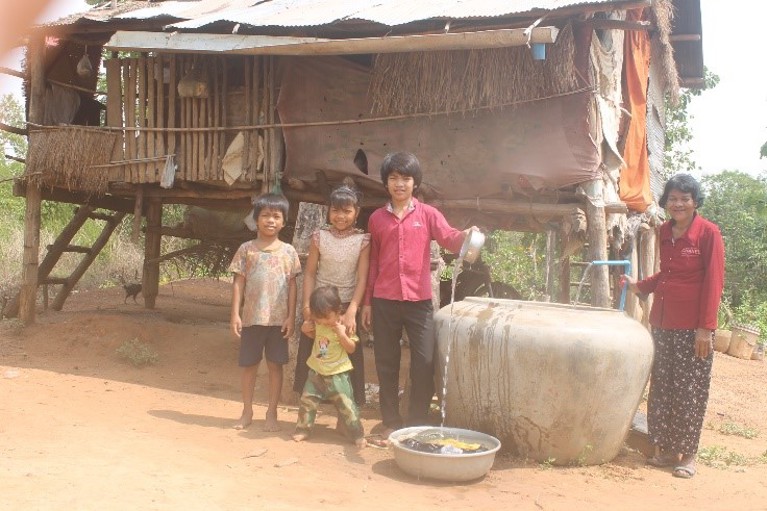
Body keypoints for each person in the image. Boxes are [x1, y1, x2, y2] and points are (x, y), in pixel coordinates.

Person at [361, 151, 477, 445]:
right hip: (385, 299)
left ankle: (415, 424)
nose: (400, 184)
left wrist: (466, 235)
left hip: (420, 301)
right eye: (394, 178)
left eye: (406, 178)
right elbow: (373, 262)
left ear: (415, 183)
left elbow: (450, 238)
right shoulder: (376, 219)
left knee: (424, 362)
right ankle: (390, 423)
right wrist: (367, 303)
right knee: (386, 362)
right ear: (386, 183)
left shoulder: (428, 215)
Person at [624, 173, 725, 479]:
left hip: (694, 329)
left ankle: (689, 455)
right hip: (663, 324)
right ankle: (667, 450)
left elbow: (714, 282)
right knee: (664, 388)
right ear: (666, 202)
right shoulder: (664, 230)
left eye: (685, 198)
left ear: (695, 202)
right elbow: (665, 275)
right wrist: (638, 286)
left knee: (690, 391)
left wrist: (706, 328)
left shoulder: (708, 233)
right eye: (672, 199)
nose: (678, 204)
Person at [229, 193, 301, 431]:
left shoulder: (289, 252)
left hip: (278, 321)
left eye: (276, 216)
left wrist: (291, 316)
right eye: (266, 215)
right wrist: (235, 314)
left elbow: (292, 285)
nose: (271, 220)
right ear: (256, 220)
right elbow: (239, 282)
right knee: (249, 365)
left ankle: (272, 413)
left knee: (275, 366)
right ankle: (247, 410)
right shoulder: (246, 249)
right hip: (251, 318)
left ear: (283, 222)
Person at [294, 184, 370, 408]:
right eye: (336, 210)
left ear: (356, 213)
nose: (341, 216)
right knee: (313, 356)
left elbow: (362, 279)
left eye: (347, 211)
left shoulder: (363, 240)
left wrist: (352, 311)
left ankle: (345, 414)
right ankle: (309, 412)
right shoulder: (319, 237)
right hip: (318, 306)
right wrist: (307, 309)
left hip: (345, 308)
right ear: (329, 211)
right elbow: (309, 273)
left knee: (348, 359)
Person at [293, 285, 366, 448]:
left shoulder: (346, 325)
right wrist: (305, 329)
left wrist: (342, 334)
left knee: (347, 405)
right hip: (316, 371)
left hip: (339, 373)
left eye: (326, 318)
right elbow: (313, 335)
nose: (322, 322)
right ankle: (303, 428)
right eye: (318, 319)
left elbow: (351, 348)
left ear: (338, 310)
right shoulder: (318, 322)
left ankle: (357, 434)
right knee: (307, 401)